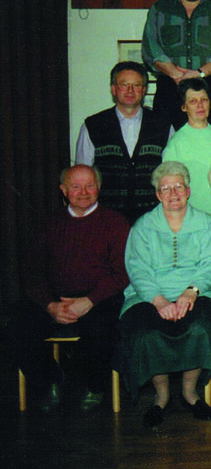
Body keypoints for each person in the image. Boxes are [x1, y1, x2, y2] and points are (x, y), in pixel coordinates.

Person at [7, 165, 129, 413]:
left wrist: (89, 300)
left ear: (99, 187)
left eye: (90, 185)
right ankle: (50, 381)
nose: (84, 192)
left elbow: (122, 272)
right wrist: (49, 304)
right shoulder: (48, 224)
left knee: (102, 329)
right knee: (16, 325)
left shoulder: (116, 223)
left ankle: (94, 386)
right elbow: (32, 271)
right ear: (63, 190)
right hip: (56, 300)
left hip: (99, 299)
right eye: (76, 187)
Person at [117, 161, 211, 429]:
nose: (173, 193)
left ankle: (190, 392)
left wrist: (192, 291)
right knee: (147, 332)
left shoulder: (206, 224)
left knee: (199, 327)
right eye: (166, 189)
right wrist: (159, 300)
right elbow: (137, 269)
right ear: (157, 195)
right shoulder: (143, 226)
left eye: (178, 187)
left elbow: (210, 264)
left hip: (197, 292)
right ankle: (161, 396)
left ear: (188, 191)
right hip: (148, 295)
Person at [75, 61, 173, 222]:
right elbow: (83, 175)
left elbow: (170, 173)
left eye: (136, 85)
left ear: (144, 90)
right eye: (124, 85)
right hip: (106, 217)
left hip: (152, 217)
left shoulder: (163, 126)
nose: (130, 90)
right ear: (113, 89)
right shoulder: (93, 125)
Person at [141, 0, 211, 129]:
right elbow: (150, 49)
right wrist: (176, 75)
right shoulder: (160, 9)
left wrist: (199, 73)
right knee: (167, 140)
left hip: (209, 90)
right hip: (169, 90)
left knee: (209, 142)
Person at [162, 78, 211, 216]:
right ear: (184, 107)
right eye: (193, 101)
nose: (200, 105)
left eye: (204, 100)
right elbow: (170, 187)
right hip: (192, 216)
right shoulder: (176, 144)